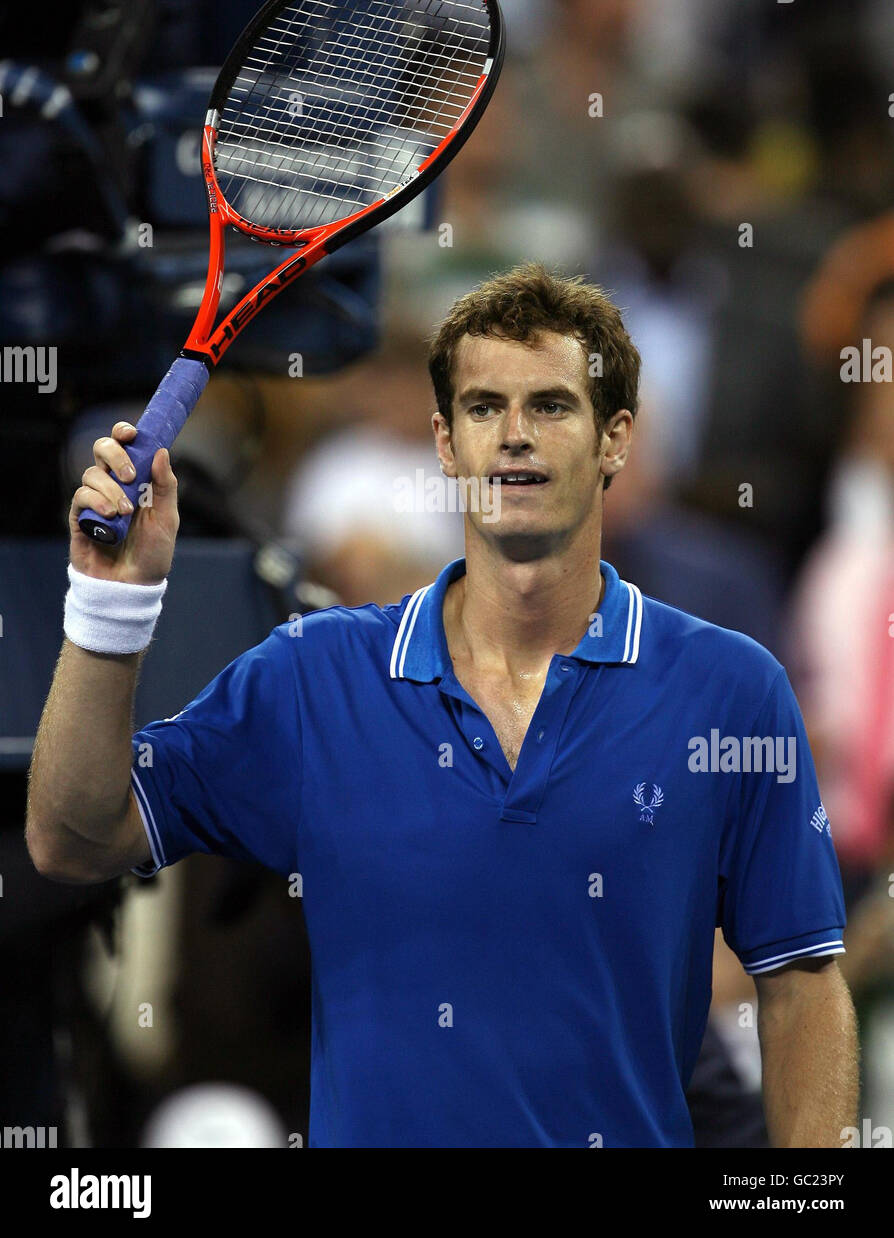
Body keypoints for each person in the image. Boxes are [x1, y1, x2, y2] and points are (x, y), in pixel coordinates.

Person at [28, 263, 857, 1149]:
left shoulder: (733, 690)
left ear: (616, 439)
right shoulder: (314, 676)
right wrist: (110, 608)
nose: (514, 437)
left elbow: (801, 985)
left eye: (551, 405)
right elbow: (73, 836)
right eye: (482, 407)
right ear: (444, 442)